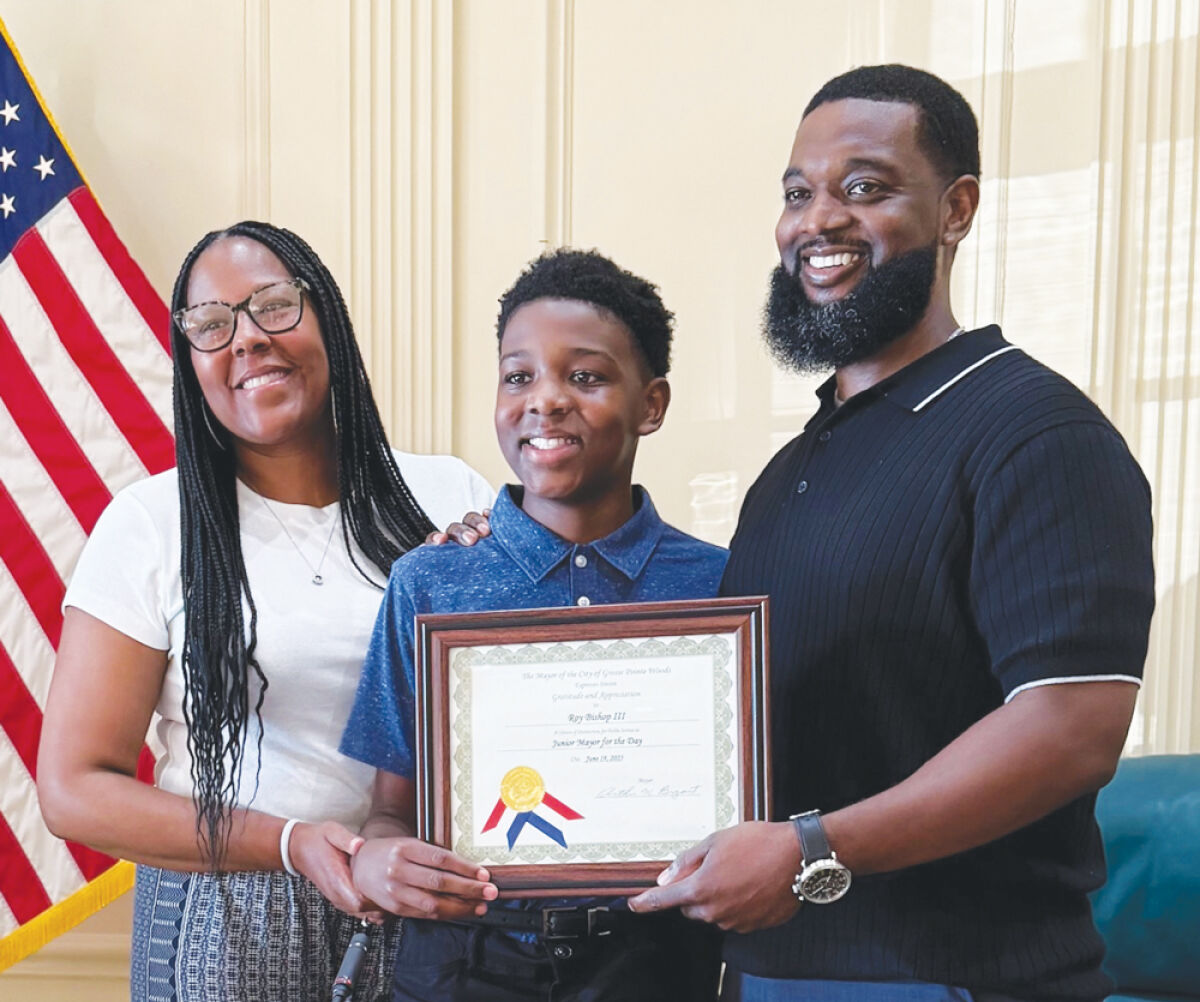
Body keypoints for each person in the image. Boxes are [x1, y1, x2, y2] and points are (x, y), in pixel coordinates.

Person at [626, 65, 1155, 1002]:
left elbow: (1071, 730)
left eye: (864, 188)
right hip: (768, 970)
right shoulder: (790, 471)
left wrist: (809, 851)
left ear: (956, 209)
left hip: (957, 977)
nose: (817, 221)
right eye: (798, 194)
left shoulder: (1037, 434)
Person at [37, 221, 494, 1002]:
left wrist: (495, 585)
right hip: (227, 911)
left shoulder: (450, 496)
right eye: (212, 325)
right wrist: (287, 844)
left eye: (274, 306)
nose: (247, 340)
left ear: (327, 318)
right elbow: (73, 787)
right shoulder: (153, 525)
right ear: (191, 360)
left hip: (419, 898)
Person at [339, 248, 728, 1002]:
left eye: (585, 376)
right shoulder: (432, 581)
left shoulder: (718, 585)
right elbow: (390, 808)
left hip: (654, 964)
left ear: (652, 403)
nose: (545, 400)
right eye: (519, 376)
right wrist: (381, 858)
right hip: (464, 964)